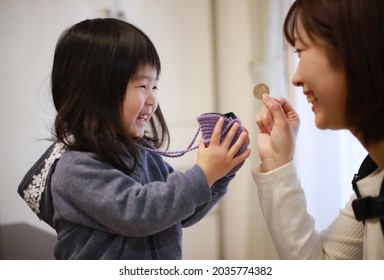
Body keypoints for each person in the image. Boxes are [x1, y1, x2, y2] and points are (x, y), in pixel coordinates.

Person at [17, 18, 250, 260]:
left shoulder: (145, 155)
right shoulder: (75, 169)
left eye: (155, 86)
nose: (152, 100)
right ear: (95, 93)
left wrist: (220, 174)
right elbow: (141, 213)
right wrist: (204, 173)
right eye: (142, 85)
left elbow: (181, 211)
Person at [252, 0, 384, 259]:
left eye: (301, 52)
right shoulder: (373, 174)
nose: (296, 77)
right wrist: (276, 161)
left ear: (357, 49)